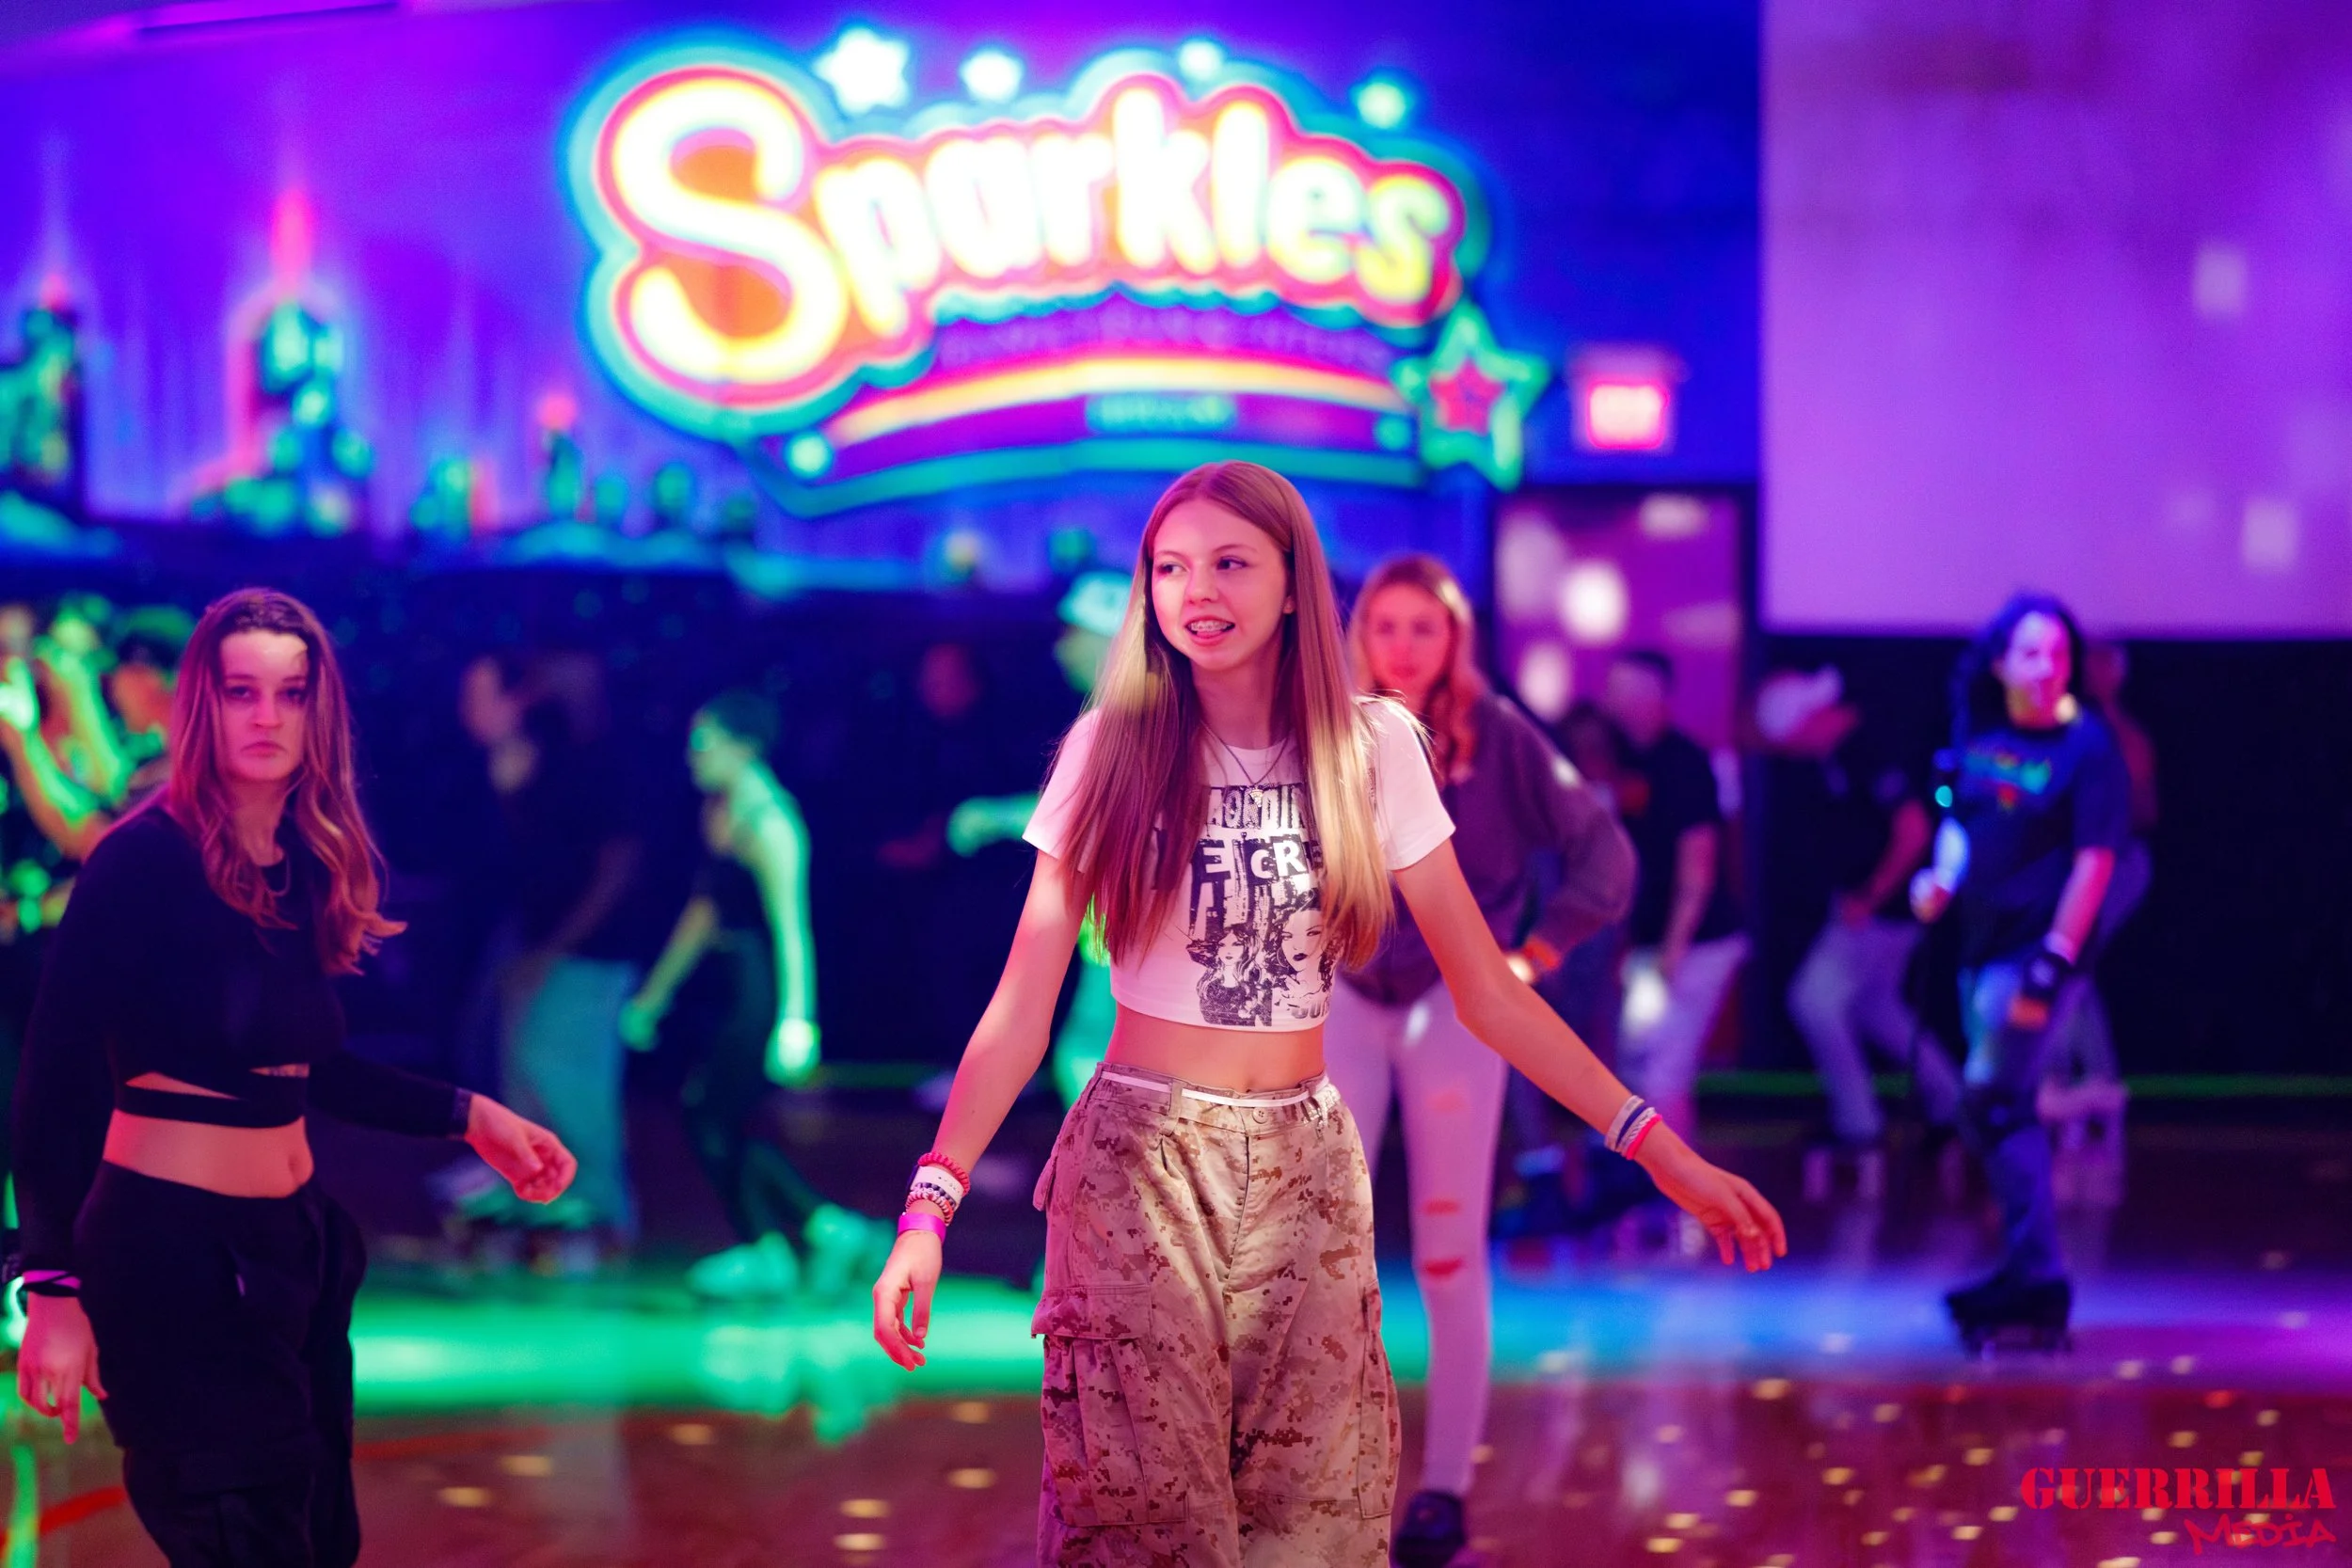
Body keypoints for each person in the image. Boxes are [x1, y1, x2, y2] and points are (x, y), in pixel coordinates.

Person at [867, 461, 1783, 1567]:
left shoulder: (1374, 747)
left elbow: (1486, 989)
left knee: (1311, 1527)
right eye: (1169, 566)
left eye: (1228, 562)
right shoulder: (1109, 748)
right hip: (1140, 1168)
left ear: (1296, 584)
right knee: (1150, 1526)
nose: (1194, 589)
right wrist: (930, 1204)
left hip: (1306, 1169)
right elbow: (1020, 1008)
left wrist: (1656, 1146)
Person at [10, 588, 576, 1567]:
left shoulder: (304, 860)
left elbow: (306, 1067)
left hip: (298, 1252)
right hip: (172, 1259)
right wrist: (52, 1289)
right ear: (203, 705)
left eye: (290, 692)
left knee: (318, 1542)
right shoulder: (139, 862)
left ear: (320, 711)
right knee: (245, 1536)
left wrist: (471, 1114)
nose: (267, 716)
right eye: (241, 691)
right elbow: (54, 1081)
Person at [1325, 554, 1636, 1566]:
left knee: (1449, 1251)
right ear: (1357, 632)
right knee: (1317, 1251)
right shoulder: (1324, 730)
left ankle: (1443, 1488)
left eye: (1426, 626)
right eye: (1386, 624)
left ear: (1455, 638)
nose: (1403, 645)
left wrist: (1534, 953)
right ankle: (1320, 1474)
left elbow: (1605, 855)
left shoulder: (1499, 736)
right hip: (1342, 991)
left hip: (1459, 1005)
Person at [1910, 593, 2128, 1350]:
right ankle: (2029, 1269)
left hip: (2032, 956)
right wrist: (1935, 882)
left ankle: (2037, 1278)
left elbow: (2096, 860)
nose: (2046, 668)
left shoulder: (2088, 745)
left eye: (2059, 654)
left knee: (1993, 1100)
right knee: (1999, 1106)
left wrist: (2055, 960)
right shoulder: (1980, 738)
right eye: (2032, 653)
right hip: (1978, 948)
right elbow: (1956, 831)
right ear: (2002, 661)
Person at [622, 690, 887, 1300]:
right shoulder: (721, 810)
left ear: (742, 746)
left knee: (709, 1112)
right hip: (727, 986)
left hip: (760, 992)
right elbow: (703, 911)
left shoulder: (773, 822)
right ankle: (816, 1230)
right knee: (718, 1115)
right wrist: (656, 995)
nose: (692, 757)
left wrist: (799, 1017)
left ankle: (784, 1240)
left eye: (703, 743)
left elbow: (792, 925)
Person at [455, 652, 642, 1271]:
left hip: (587, 948)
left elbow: (615, 866)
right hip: (536, 937)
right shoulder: (529, 761)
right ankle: (547, 1198)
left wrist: (559, 941)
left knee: (566, 1074)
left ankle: (597, 1208)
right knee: (524, 1069)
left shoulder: (599, 763)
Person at [1760, 667, 1962, 1178]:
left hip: (1882, 910)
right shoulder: (1841, 754)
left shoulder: (1865, 747)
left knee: (1812, 1000)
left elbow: (1914, 830)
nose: (1794, 751)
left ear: (1809, 720)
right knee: (1876, 1006)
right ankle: (1954, 1106)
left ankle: (1860, 1127)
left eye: (1792, 739)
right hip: (1884, 908)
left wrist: (1870, 897)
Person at [945, 571, 1126, 1106]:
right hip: (1124, 931)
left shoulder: (1129, 722)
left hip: (1140, 932)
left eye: (1075, 632)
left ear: (1111, 640)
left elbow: (1089, 811)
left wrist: (990, 817)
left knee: (1086, 1056)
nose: (1062, 647)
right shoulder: (1123, 719)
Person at [1602, 651, 1746, 1142]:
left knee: (1662, 1077)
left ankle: (1683, 1204)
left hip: (1695, 944)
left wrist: (1672, 949)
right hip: (1655, 945)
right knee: (1636, 1072)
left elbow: (1698, 862)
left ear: (1657, 697)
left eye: (1631, 691)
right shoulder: (1623, 758)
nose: (1618, 702)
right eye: (1615, 690)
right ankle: (1650, 1197)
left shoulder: (1683, 763)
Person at [2038, 639, 2157, 1139]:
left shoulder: (2121, 735)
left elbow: (2140, 810)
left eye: (2107, 665)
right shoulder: (2068, 727)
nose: (2096, 673)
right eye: (2091, 664)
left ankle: (2075, 1086)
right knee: (2070, 972)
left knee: (2069, 965)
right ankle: (2091, 1088)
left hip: (2118, 861)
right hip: (2074, 865)